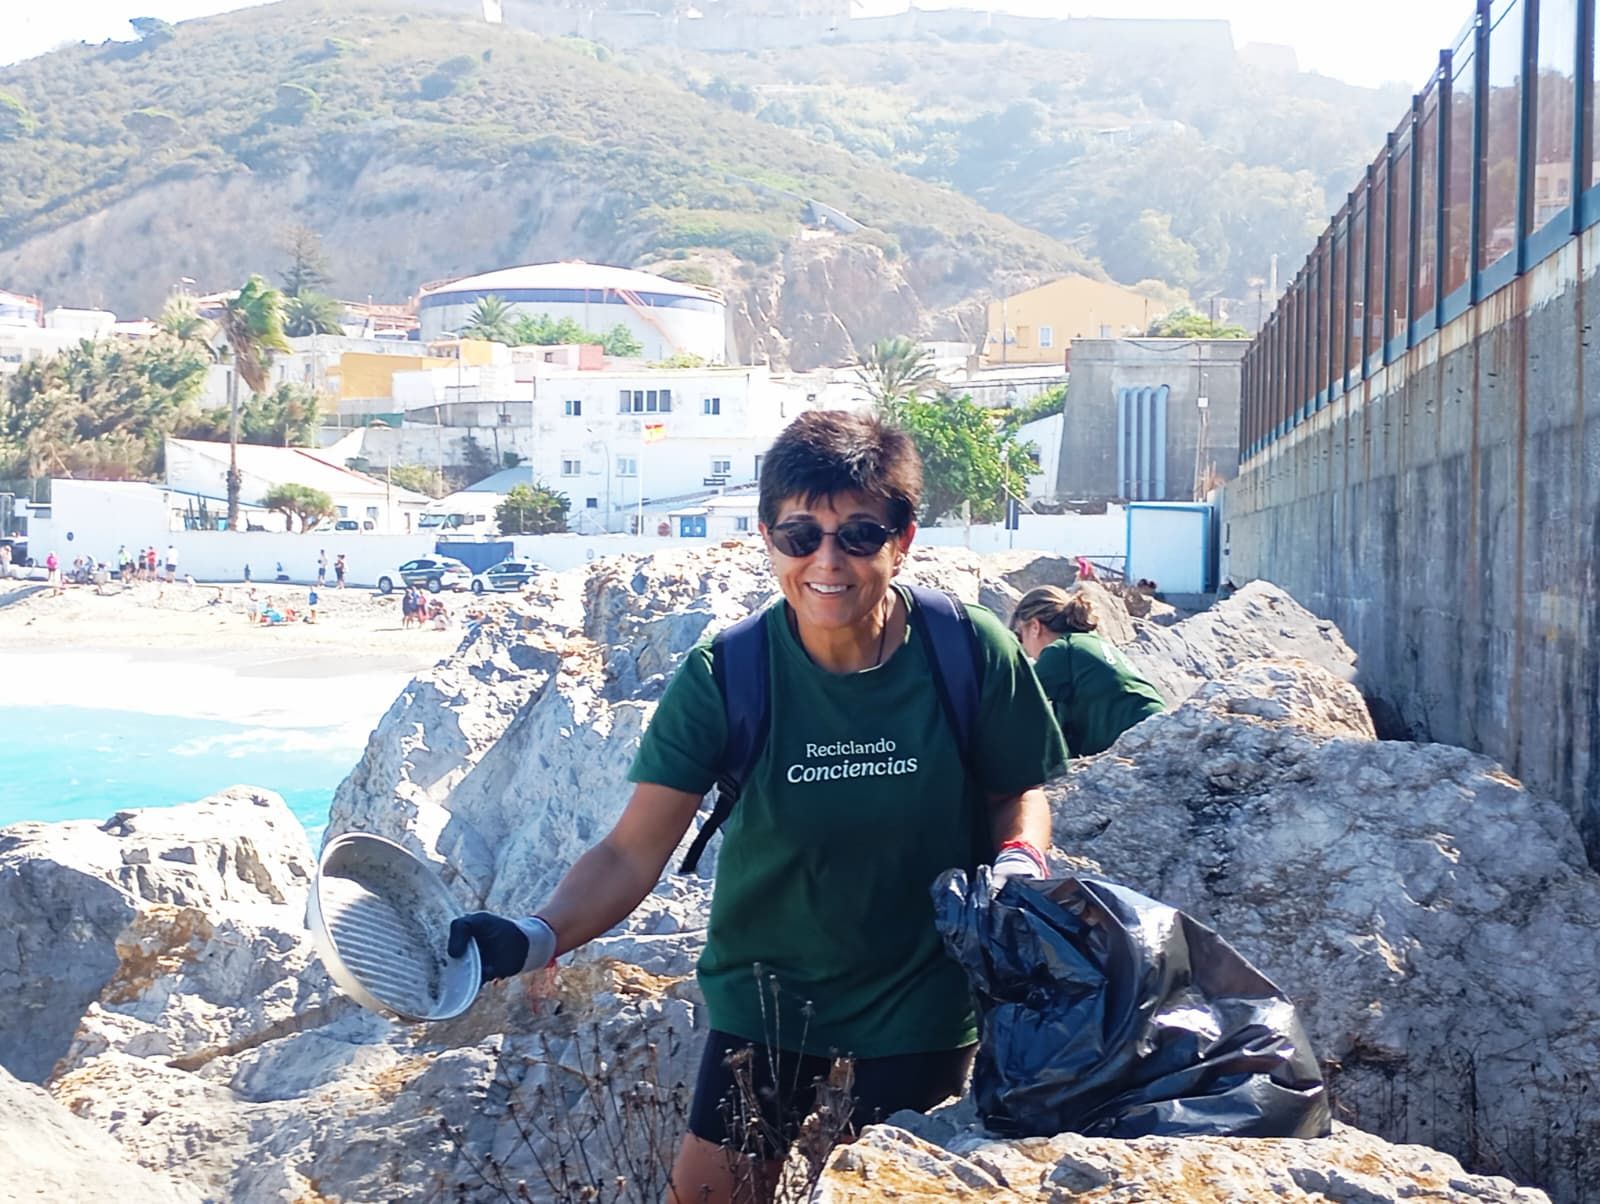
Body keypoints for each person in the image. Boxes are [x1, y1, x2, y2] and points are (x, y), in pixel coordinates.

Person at [448, 410, 1067, 1204]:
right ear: (767, 538)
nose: (827, 562)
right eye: (799, 535)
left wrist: (1020, 863)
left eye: (860, 534)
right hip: (767, 1001)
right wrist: (534, 938)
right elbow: (631, 852)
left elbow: (1016, 791)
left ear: (903, 537)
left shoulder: (966, 648)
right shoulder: (728, 672)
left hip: (924, 1001)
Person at [1011, 585, 1166, 759]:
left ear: (1034, 626)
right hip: (1159, 728)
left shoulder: (1060, 650)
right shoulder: (1090, 643)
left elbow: (1013, 703)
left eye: (1019, 637)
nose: (1022, 647)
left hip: (1138, 742)